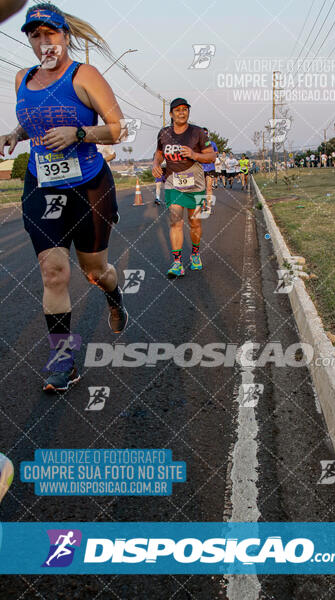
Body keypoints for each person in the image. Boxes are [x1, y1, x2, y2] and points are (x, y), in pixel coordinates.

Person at [0, 2, 128, 392]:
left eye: (50, 33)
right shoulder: (24, 77)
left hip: (89, 185)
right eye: (35, 35)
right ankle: (63, 362)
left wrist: (79, 133)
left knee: (94, 271)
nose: (43, 42)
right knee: (54, 272)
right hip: (43, 185)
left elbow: (118, 128)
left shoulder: (83, 74)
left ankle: (114, 293)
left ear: (65, 36)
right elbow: (34, 120)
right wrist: (14, 135)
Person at [152, 98, 216, 278]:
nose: (182, 112)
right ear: (171, 114)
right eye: (178, 110)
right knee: (175, 220)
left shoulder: (198, 132)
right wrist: (155, 163)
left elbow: (211, 156)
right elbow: (158, 153)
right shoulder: (164, 133)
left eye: (185, 109)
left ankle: (195, 254)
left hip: (196, 184)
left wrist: (194, 154)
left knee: (195, 222)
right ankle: (177, 262)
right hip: (173, 182)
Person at [202, 127, 218, 215]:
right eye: (203, 133)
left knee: (208, 188)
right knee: (201, 189)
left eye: (206, 133)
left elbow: (216, 152)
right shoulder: (197, 144)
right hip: (201, 169)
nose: (205, 135)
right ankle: (203, 205)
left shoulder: (212, 144)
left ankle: (208, 207)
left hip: (210, 168)